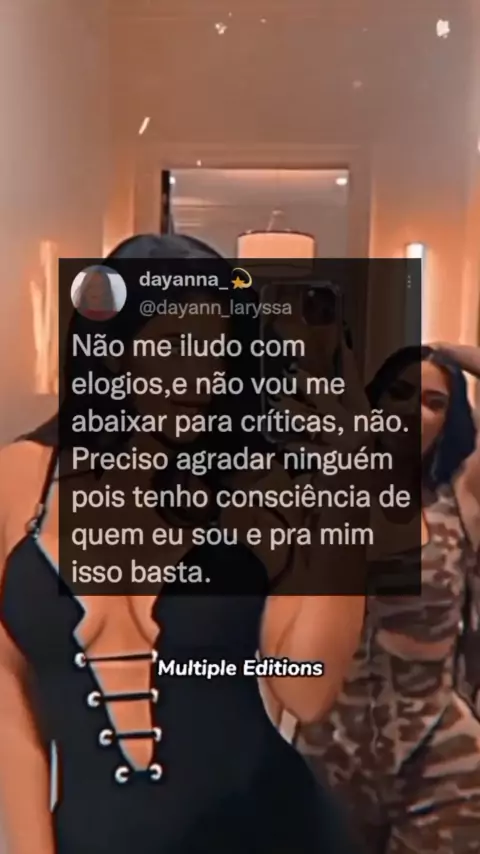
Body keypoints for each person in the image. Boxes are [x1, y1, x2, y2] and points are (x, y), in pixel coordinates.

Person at [0, 234, 365, 854]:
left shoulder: (255, 487)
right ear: (113, 353)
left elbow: (308, 691)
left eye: (217, 349)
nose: (200, 374)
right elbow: (10, 696)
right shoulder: (20, 479)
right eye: (173, 345)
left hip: (266, 830)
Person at [296, 344, 480, 854]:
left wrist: (454, 353)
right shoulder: (323, 490)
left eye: (434, 402)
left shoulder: (459, 499)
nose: (413, 412)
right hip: (329, 749)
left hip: (438, 754)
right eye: (399, 393)